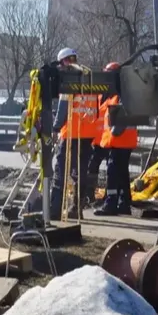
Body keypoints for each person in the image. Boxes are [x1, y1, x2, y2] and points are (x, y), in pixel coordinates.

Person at [50, 47, 102, 219]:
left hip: (71, 133)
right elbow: (95, 109)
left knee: (61, 172)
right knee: (80, 173)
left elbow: (63, 108)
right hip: (87, 135)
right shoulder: (90, 78)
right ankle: (75, 209)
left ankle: (55, 211)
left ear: (64, 61)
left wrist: (56, 128)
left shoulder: (69, 79)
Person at [93, 62, 138, 216]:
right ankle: (124, 203)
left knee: (113, 171)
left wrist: (114, 133)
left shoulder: (120, 94)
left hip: (119, 140)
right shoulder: (122, 92)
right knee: (122, 172)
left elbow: (121, 118)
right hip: (123, 141)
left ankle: (111, 203)